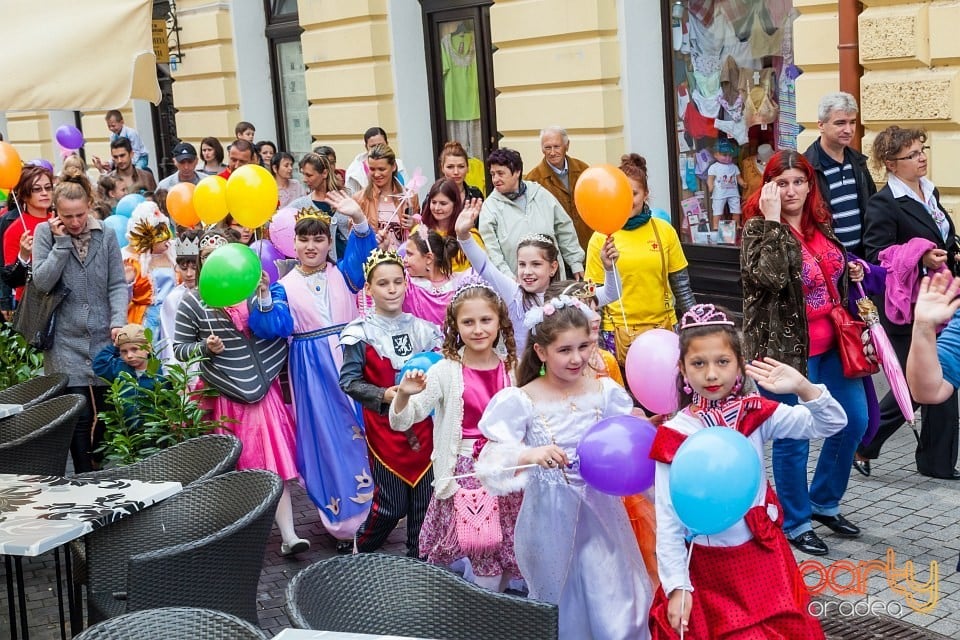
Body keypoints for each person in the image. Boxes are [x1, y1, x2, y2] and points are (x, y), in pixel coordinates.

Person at [647, 305, 842, 639]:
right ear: (682, 368)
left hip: (763, 559)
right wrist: (678, 586)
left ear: (739, 363)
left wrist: (803, 387)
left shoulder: (755, 415)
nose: (711, 375)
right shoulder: (675, 434)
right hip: (706, 568)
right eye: (698, 363)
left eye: (722, 362)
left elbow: (832, 423)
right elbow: (667, 518)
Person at [476, 296, 653, 639]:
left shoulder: (605, 392)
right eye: (565, 350)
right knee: (562, 604)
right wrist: (530, 454)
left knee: (616, 599)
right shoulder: (521, 399)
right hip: (549, 519)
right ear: (541, 352)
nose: (577, 358)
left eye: (584, 346)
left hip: (603, 516)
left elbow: (630, 449)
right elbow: (490, 462)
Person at [741, 149, 884, 556]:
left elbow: (829, 269)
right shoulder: (756, 230)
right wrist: (772, 222)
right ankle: (795, 520)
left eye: (798, 181)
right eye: (781, 182)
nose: (791, 190)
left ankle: (823, 502)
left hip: (836, 345)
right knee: (793, 438)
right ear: (768, 186)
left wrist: (849, 270)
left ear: (809, 184)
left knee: (853, 421)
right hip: (782, 354)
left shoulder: (819, 222)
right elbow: (769, 277)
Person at [250, 196, 377, 549]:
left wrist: (359, 219)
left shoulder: (345, 274)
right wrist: (262, 296)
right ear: (294, 243)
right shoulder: (283, 287)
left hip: (352, 360)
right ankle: (343, 521)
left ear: (327, 241)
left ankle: (373, 514)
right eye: (304, 239)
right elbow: (271, 325)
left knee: (362, 434)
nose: (311, 245)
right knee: (328, 439)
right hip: (312, 371)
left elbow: (366, 258)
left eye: (318, 238)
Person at [172, 228, 309, 556]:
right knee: (239, 467)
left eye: (221, 254)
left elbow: (278, 328)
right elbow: (178, 348)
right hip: (224, 395)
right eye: (206, 258)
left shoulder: (254, 286)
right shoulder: (192, 300)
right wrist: (205, 347)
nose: (214, 261)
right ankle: (246, 538)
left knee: (273, 461)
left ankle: (289, 535)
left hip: (264, 394)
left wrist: (263, 295)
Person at [390, 281, 522, 591]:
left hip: (507, 472)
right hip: (467, 475)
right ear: (455, 326)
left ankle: (494, 611)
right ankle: (481, 617)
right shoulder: (445, 372)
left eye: (485, 320)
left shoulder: (514, 369)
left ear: (500, 322)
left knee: (505, 553)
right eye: (468, 322)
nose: (478, 329)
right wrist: (404, 396)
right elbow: (403, 420)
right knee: (482, 552)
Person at [856, 126, 959, 479]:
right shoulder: (884, 203)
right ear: (890, 164)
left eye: (922, 150)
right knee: (913, 386)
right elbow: (876, 253)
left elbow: (944, 232)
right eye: (912, 154)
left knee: (942, 377)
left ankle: (937, 463)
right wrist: (920, 256)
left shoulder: (929, 192)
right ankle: (863, 443)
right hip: (904, 309)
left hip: (938, 299)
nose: (921, 158)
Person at [339, 249, 442, 557]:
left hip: (424, 429)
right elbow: (349, 382)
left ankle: (417, 567)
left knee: (424, 506)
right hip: (385, 431)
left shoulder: (423, 329)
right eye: (383, 283)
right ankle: (362, 552)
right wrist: (386, 394)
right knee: (390, 506)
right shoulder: (359, 333)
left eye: (398, 281)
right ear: (369, 289)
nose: (393, 289)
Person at [32, 170, 127, 472]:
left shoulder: (106, 234)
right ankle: (85, 479)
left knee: (107, 415)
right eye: (68, 216)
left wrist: (118, 320)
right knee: (79, 417)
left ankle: (103, 474)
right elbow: (43, 282)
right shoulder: (45, 234)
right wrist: (61, 245)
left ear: (89, 206)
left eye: (80, 215)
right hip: (63, 341)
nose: (75, 222)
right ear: (56, 214)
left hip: (102, 338)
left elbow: (117, 284)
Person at [457, 198, 619, 353]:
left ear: (553, 267)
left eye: (536, 264)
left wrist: (610, 268)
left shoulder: (568, 295)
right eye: (522, 264)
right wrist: (464, 236)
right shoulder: (515, 294)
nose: (527, 271)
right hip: (526, 376)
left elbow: (612, 293)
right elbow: (485, 267)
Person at [585, 154, 695, 367]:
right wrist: (594, 341)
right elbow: (592, 296)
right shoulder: (601, 237)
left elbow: (682, 287)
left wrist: (697, 324)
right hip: (617, 334)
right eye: (621, 194)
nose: (627, 200)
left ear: (646, 194)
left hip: (664, 328)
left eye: (633, 193)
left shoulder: (664, 231)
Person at [478, 148, 584, 279]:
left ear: (517, 172)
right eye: (493, 174)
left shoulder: (540, 194)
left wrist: (575, 262)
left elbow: (564, 228)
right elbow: (492, 251)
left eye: (500, 173)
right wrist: (508, 279)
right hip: (518, 284)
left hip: (552, 282)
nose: (495, 179)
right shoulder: (489, 207)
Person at [803, 92, 877, 256]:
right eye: (840, 123)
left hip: (860, 259)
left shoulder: (858, 163)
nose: (848, 130)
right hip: (825, 262)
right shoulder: (806, 167)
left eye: (852, 122)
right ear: (821, 125)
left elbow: (871, 208)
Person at [524, 127, 592, 250]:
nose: (552, 152)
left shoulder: (584, 170)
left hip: (588, 244)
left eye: (557, 146)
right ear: (542, 149)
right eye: (547, 147)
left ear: (567, 145)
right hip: (555, 251)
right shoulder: (533, 180)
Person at [123, 202, 177, 341]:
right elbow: (121, 300)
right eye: (161, 238)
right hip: (146, 321)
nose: (167, 242)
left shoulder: (173, 255)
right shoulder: (131, 261)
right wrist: (128, 284)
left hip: (173, 317)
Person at [2, 165, 54, 303]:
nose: (44, 193)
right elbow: (12, 280)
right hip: (32, 303)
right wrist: (23, 256)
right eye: (37, 189)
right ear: (24, 195)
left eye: (48, 188)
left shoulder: (60, 219)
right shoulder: (15, 229)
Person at [352, 144, 418, 252]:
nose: (377, 174)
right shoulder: (360, 199)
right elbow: (354, 240)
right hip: (374, 261)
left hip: (404, 262)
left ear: (393, 167)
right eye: (372, 169)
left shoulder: (410, 197)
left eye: (382, 169)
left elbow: (420, 235)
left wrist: (413, 225)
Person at [289, 153, 347, 259]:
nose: (304, 180)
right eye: (303, 174)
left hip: (348, 268)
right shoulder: (299, 206)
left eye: (309, 175)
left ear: (324, 173)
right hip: (319, 269)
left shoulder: (347, 199)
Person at [418, 179, 482, 273]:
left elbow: (482, 268)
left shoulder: (470, 235)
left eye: (443, 203)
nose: (437, 208)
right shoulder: (420, 231)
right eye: (434, 202)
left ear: (455, 204)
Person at [159, 229, 200, 366]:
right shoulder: (173, 299)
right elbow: (169, 340)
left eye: (194, 268)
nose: (189, 274)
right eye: (184, 268)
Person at [344, 127, 407, 195]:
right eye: (373, 146)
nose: (377, 149)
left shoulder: (399, 165)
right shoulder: (354, 172)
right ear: (366, 147)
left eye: (381, 145)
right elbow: (352, 198)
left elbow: (407, 192)